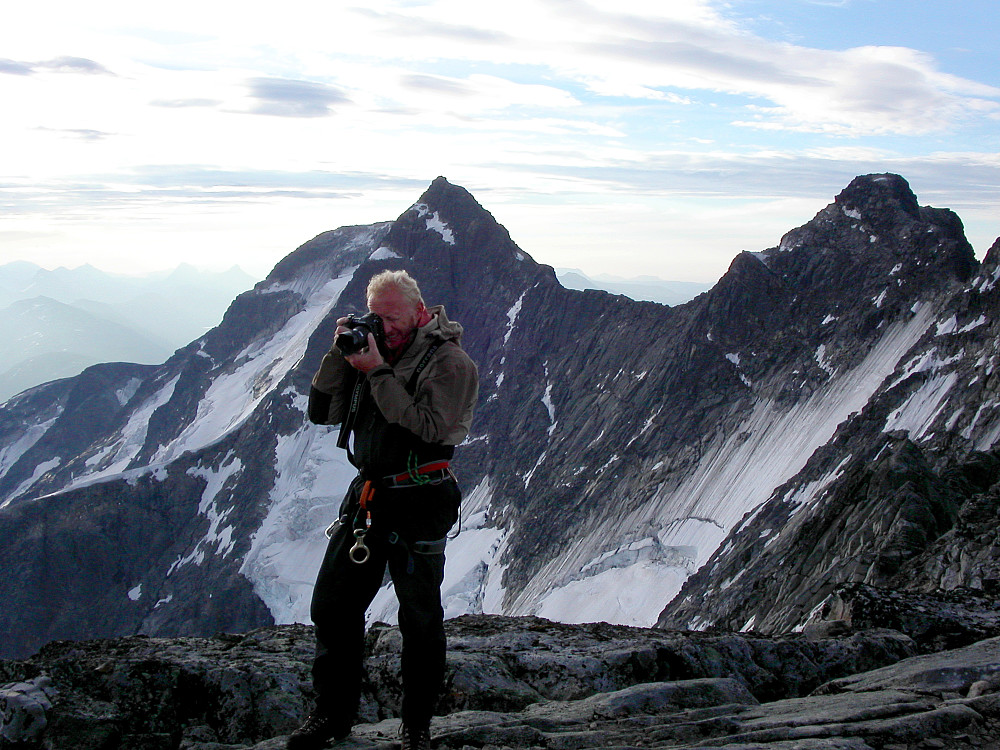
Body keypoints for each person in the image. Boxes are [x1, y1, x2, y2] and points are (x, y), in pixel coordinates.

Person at [289, 270, 478, 750]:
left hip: (420, 498)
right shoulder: (373, 349)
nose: (386, 327)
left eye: (393, 318)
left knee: (419, 618)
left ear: (419, 312)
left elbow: (428, 429)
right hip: (371, 497)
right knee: (332, 608)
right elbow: (321, 411)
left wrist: (376, 372)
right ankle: (332, 716)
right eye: (378, 317)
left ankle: (416, 726)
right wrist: (342, 353)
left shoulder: (449, 363)